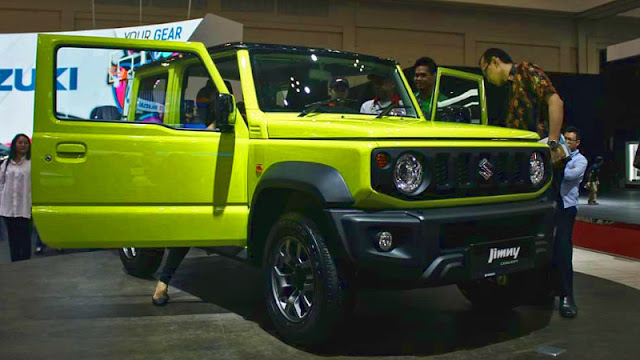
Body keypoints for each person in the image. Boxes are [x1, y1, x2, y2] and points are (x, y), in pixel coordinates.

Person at [479, 48, 563, 147]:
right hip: (526, 151)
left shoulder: (525, 70)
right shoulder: (509, 88)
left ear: (495, 62)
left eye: (486, 71)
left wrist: (552, 142)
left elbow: (555, 102)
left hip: (542, 149)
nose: (487, 78)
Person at [554, 126, 587, 318]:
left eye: (570, 139)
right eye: (564, 138)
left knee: (564, 249)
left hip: (567, 208)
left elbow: (568, 176)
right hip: (552, 206)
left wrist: (557, 163)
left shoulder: (580, 160)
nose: (566, 142)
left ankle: (567, 295)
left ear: (577, 143)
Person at [0, 134, 32, 262]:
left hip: (24, 206)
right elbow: (1, 181)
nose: (23, 145)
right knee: (12, 238)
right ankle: (15, 263)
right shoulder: (7, 163)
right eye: (20, 143)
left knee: (25, 238)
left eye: (25, 143)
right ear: (15, 145)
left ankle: (25, 264)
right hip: (8, 206)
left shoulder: (31, 163)